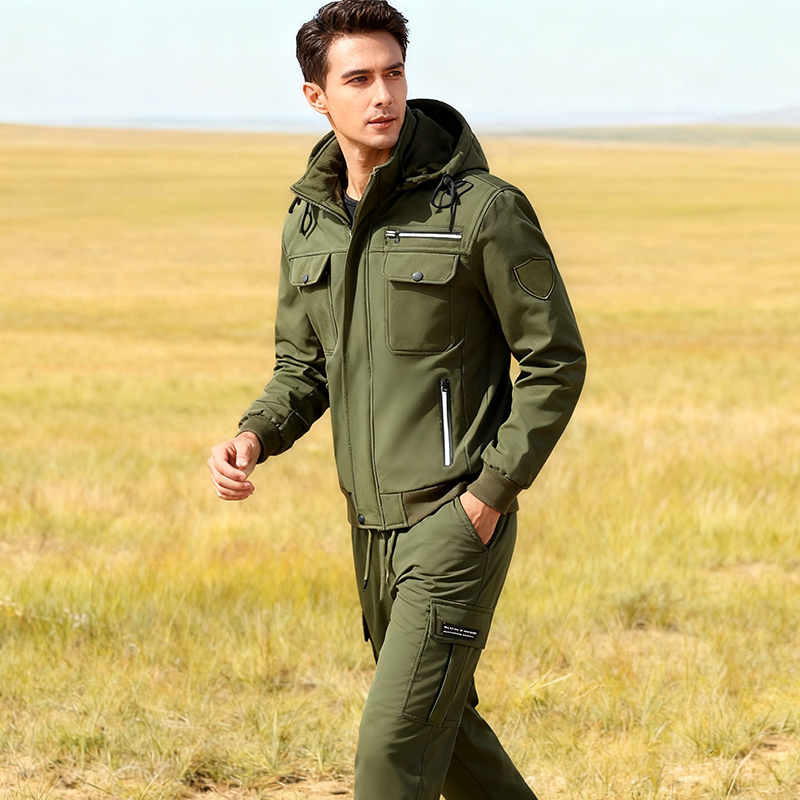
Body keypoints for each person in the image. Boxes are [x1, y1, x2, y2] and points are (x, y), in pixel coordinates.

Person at [208, 1, 586, 797]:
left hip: (453, 523)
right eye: (358, 79)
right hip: (369, 531)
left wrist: (489, 495)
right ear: (317, 97)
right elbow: (303, 366)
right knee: (450, 739)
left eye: (394, 73)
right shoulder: (309, 222)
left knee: (389, 753)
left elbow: (555, 360)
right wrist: (255, 434)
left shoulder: (482, 209)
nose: (382, 94)